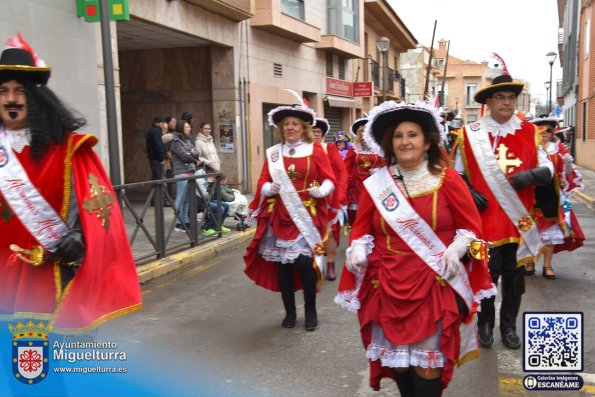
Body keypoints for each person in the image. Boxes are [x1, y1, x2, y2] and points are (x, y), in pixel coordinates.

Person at [336, 100, 495, 396]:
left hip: (433, 284)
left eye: (412, 134)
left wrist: (457, 248)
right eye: (398, 136)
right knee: (401, 367)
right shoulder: (378, 183)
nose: (405, 141)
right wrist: (356, 248)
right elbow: (361, 228)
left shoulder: (446, 178)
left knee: (427, 367)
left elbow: (473, 227)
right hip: (387, 284)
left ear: (426, 142)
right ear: (389, 143)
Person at [0, 31, 141, 344]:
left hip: (55, 281)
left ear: (36, 99)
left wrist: (79, 238)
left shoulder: (70, 150)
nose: (11, 99)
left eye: (20, 91)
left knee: (64, 370)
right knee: (20, 377)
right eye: (3, 91)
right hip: (5, 284)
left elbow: (98, 208)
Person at [451, 73, 554, 350]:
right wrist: (469, 192)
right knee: (484, 273)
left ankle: (509, 326)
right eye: (500, 97)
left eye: (511, 97)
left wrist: (531, 175)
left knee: (515, 278)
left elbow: (549, 169)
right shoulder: (468, 135)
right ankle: (485, 323)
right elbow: (455, 175)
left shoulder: (530, 132)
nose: (507, 102)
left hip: (518, 222)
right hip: (479, 223)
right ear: (488, 101)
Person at [243, 97, 337, 331]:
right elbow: (263, 180)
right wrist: (268, 188)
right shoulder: (274, 153)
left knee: (307, 264)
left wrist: (322, 189)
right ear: (281, 129)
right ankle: (290, 312)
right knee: (283, 268)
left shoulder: (315, 151)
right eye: (286, 124)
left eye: (295, 123)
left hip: (308, 217)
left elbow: (330, 179)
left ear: (303, 127)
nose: (290, 127)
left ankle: (311, 309)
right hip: (280, 216)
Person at [525, 115, 585, 279]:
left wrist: (566, 163)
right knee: (529, 232)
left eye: (548, 130)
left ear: (553, 132)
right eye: (540, 130)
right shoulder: (530, 148)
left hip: (552, 196)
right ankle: (529, 263)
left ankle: (547, 265)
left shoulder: (558, 148)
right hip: (531, 195)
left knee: (550, 234)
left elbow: (566, 174)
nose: (544, 133)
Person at [312, 117, 347, 281]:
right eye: (312, 131)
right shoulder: (302, 150)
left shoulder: (329, 148)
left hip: (329, 198)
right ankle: (317, 263)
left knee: (329, 232)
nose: (315, 134)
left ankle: (330, 264)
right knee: (314, 233)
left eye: (318, 131)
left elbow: (341, 172)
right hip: (309, 199)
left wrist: (340, 194)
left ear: (323, 134)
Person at [344, 117, 385, 225]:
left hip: (374, 185)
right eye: (361, 131)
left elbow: (385, 165)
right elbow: (345, 167)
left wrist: (378, 170)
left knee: (373, 216)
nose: (363, 133)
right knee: (357, 217)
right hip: (357, 186)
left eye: (366, 130)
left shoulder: (378, 149)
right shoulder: (354, 148)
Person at [171, 119, 200, 231]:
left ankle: (185, 220)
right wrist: (192, 155)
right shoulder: (176, 141)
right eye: (187, 127)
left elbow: (196, 152)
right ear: (181, 128)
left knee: (187, 199)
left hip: (190, 172)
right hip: (181, 173)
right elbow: (184, 156)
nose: (189, 129)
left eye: (189, 127)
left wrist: (191, 153)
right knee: (181, 197)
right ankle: (178, 223)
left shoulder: (187, 140)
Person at [146, 115, 167, 186]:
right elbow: (158, 145)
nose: (163, 125)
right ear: (159, 123)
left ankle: (155, 196)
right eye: (162, 123)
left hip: (153, 158)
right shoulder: (156, 131)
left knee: (155, 178)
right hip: (156, 159)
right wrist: (162, 158)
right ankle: (159, 196)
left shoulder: (152, 130)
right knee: (158, 179)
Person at [163, 115, 177, 204]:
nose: (175, 124)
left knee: (171, 179)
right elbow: (166, 148)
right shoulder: (166, 134)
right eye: (173, 122)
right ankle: (167, 199)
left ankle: (170, 197)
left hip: (171, 159)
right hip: (167, 160)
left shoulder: (173, 133)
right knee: (168, 179)